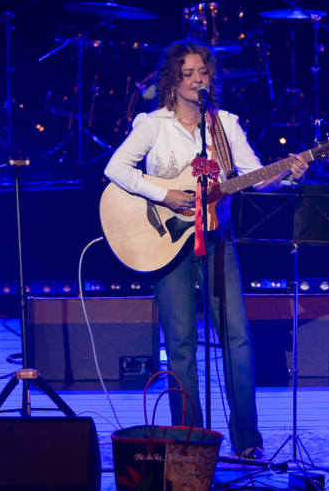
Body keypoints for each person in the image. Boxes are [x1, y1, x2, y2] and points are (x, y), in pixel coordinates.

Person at [105, 40, 308, 460]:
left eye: (203, 72)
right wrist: (162, 193)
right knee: (180, 343)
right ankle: (189, 442)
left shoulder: (225, 124)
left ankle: (247, 441)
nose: (199, 80)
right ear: (173, 81)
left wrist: (287, 172)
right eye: (189, 73)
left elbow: (254, 175)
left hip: (219, 241)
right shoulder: (153, 124)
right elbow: (115, 169)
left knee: (238, 338)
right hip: (167, 246)